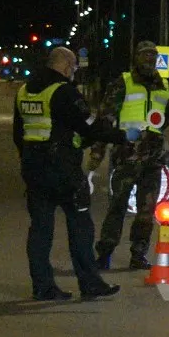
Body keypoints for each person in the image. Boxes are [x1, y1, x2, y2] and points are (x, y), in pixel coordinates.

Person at [13, 46, 129, 300]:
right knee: (80, 226)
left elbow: (18, 135)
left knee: (40, 230)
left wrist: (31, 161)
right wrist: (122, 136)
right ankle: (89, 283)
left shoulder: (24, 91)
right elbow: (88, 127)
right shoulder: (64, 92)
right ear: (65, 65)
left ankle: (43, 287)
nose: (74, 72)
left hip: (34, 171)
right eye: (74, 67)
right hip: (63, 171)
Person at [95, 41, 169, 270]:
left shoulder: (164, 85)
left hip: (153, 157)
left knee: (147, 210)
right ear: (136, 58)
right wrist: (98, 149)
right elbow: (105, 117)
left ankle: (138, 254)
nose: (149, 59)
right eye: (145, 55)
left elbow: (166, 118)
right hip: (126, 155)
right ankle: (105, 253)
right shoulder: (123, 82)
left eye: (153, 56)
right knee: (117, 206)